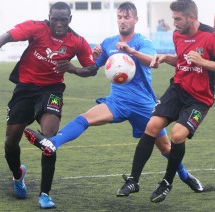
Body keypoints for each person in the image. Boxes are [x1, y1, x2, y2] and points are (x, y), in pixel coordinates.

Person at [24, 1, 203, 198]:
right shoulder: (109, 43)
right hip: (117, 102)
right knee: (84, 118)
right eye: (119, 17)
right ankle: (52, 143)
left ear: (136, 19)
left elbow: (153, 62)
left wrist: (130, 51)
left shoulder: (143, 42)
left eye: (127, 17)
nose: (123, 21)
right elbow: (92, 69)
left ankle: (186, 176)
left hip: (144, 106)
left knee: (167, 147)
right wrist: (85, 62)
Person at [0, 2, 97, 209]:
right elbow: (6, 36)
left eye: (63, 19)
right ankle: (18, 174)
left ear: (70, 19)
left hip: (52, 90)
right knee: (10, 141)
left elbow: (92, 68)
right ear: (49, 16)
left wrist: (74, 69)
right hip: (25, 90)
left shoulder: (77, 41)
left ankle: (45, 194)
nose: (59, 24)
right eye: (55, 19)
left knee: (49, 139)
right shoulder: (36, 28)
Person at [129, 0, 215, 203]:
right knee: (151, 125)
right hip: (178, 89)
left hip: (200, 99)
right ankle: (133, 179)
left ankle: (167, 181)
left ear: (191, 18)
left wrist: (203, 62)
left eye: (178, 19)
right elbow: (181, 60)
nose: (174, 22)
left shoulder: (212, 37)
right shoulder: (177, 34)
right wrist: (164, 57)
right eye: (173, 18)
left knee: (177, 136)